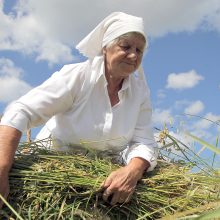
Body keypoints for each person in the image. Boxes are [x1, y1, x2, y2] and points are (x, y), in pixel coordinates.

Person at [0, 12, 158, 207]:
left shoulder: (140, 92)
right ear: (105, 48)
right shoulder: (77, 77)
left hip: (99, 176)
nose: (133, 55)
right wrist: (2, 167)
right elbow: (21, 111)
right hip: (52, 167)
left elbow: (144, 141)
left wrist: (132, 171)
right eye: (125, 46)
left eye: (139, 50)